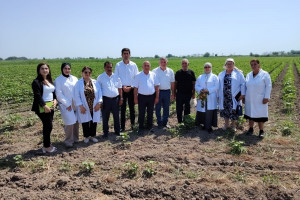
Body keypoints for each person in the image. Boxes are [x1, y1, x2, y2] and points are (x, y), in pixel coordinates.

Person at [31, 63, 57, 153]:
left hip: (51, 105)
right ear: (39, 70)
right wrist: (44, 106)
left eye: (46, 68)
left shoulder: (49, 80)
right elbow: (37, 96)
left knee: (48, 126)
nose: (45, 70)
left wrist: (55, 100)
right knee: (48, 126)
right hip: (42, 106)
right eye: (42, 68)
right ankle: (46, 146)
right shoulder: (36, 82)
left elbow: (53, 92)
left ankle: (48, 143)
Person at [74, 66, 102, 143]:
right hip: (84, 106)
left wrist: (99, 103)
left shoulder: (95, 82)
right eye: (85, 72)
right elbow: (76, 95)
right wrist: (80, 106)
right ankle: (86, 136)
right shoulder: (78, 83)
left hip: (94, 104)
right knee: (85, 121)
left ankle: (92, 136)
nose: (87, 74)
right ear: (82, 73)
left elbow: (99, 93)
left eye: (89, 72)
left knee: (94, 121)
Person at [244, 59, 272, 138]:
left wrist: (266, 97)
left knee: (260, 116)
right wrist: (244, 96)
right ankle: (250, 129)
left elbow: (269, 86)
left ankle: (261, 131)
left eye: (255, 64)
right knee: (250, 114)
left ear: (259, 65)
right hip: (250, 98)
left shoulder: (265, 74)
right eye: (251, 65)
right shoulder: (249, 75)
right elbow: (245, 86)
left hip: (260, 98)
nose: (253, 66)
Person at [54, 62, 79, 147]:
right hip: (66, 104)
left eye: (69, 68)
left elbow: (78, 89)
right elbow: (59, 94)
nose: (67, 70)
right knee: (69, 122)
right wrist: (67, 104)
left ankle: (76, 138)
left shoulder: (74, 78)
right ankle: (68, 141)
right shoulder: (58, 80)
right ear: (62, 69)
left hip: (75, 102)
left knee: (76, 121)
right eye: (65, 68)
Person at [114, 48, 139, 132]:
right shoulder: (118, 65)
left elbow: (137, 77)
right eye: (124, 53)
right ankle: (123, 127)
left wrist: (131, 87)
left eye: (127, 53)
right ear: (121, 55)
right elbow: (116, 78)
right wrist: (122, 87)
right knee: (123, 109)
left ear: (129, 55)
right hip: (121, 89)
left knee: (132, 108)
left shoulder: (133, 65)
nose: (126, 55)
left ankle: (133, 126)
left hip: (131, 89)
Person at [218, 58, 245, 131]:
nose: (229, 65)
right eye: (228, 64)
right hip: (224, 96)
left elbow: (243, 84)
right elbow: (218, 85)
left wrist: (242, 94)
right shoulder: (221, 74)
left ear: (233, 65)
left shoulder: (239, 74)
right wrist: (218, 95)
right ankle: (226, 124)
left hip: (235, 95)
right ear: (225, 65)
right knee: (225, 109)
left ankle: (233, 125)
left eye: (231, 64)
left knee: (234, 110)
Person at [97, 61, 123, 138]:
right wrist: (100, 101)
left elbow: (120, 88)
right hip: (105, 100)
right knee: (105, 117)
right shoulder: (100, 77)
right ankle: (105, 133)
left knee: (116, 116)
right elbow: (98, 90)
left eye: (111, 67)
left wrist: (121, 98)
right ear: (105, 68)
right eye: (108, 67)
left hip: (115, 99)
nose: (109, 69)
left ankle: (117, 131)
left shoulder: (116, 77)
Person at [133, 61, 160, 133]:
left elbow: (157, 86)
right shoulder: (138, 75)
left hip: (151, 97)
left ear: (150, 67)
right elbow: (135, 88)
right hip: (141, 97)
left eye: (148, 65)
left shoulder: (153, 75)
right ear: (142, 66)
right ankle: (140, 128)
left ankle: (150, 127)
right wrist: (135, 98)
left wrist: (157, 97)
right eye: (145, 65)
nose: (146, 67)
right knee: (141, 113)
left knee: (150, 112)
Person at [195, 62, 219, 133]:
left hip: (211, 96)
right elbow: (196, 86)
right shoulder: (200, 77)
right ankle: (204, 125)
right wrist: (201, 90)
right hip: (202, 96)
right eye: (205, 67)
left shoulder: (214, 77)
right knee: (203, 110)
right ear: (204, 68)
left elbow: (216, 86)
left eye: (209, 67)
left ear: (211, 68)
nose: (207, 68)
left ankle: (209, 126)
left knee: (209, 111)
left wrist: (208, 90)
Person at [152, 57, 175, 128]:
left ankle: (165, 122)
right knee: (158, 108)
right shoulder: (154, 71)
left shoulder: (170, 71)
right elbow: (152, 82)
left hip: (167, 92)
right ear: (159, 63)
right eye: (161, 62)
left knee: (166, 108)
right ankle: (159, 122)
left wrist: (173, 93)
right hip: (158, 92)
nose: (163, 63)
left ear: (167, 63)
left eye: (164, 62)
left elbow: (172, 83)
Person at [175, 59, 196, 123]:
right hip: (179, 94)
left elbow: (194, 84)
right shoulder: (178, 73)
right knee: (179, 109)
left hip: (188, 94)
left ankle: (186, 121)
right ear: (181, 64)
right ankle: (180, 122)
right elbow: (175, 84)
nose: (184, 65)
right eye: (183, 63)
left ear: (188, 64)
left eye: (185, 63)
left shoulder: (191, 72)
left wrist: (193, 93)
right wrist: (174, 93)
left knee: (187, 108)